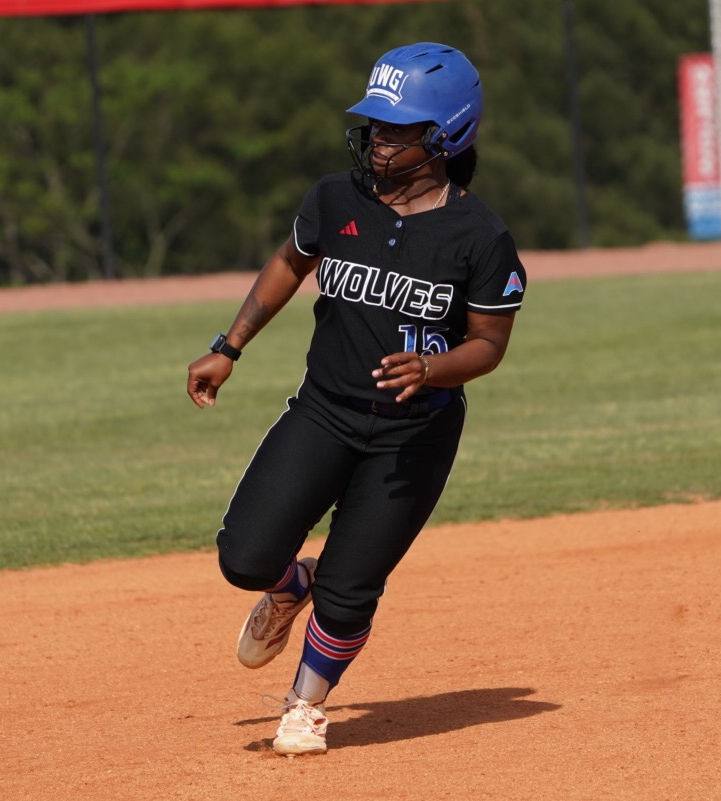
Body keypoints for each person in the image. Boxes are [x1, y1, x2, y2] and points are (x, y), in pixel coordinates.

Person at [185, 42, 526, 757]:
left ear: (446, 137)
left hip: (415, 436)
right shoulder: (334, 199)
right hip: (324, 411)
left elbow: (488, 344)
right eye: (375, 122)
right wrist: (230, 344)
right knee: (245, 555)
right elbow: (289, 261)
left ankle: (305, 705)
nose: (379, 138)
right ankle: (287, 585)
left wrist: (434, 371)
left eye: (399, 129)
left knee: (350, 588)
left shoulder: (480, 236)